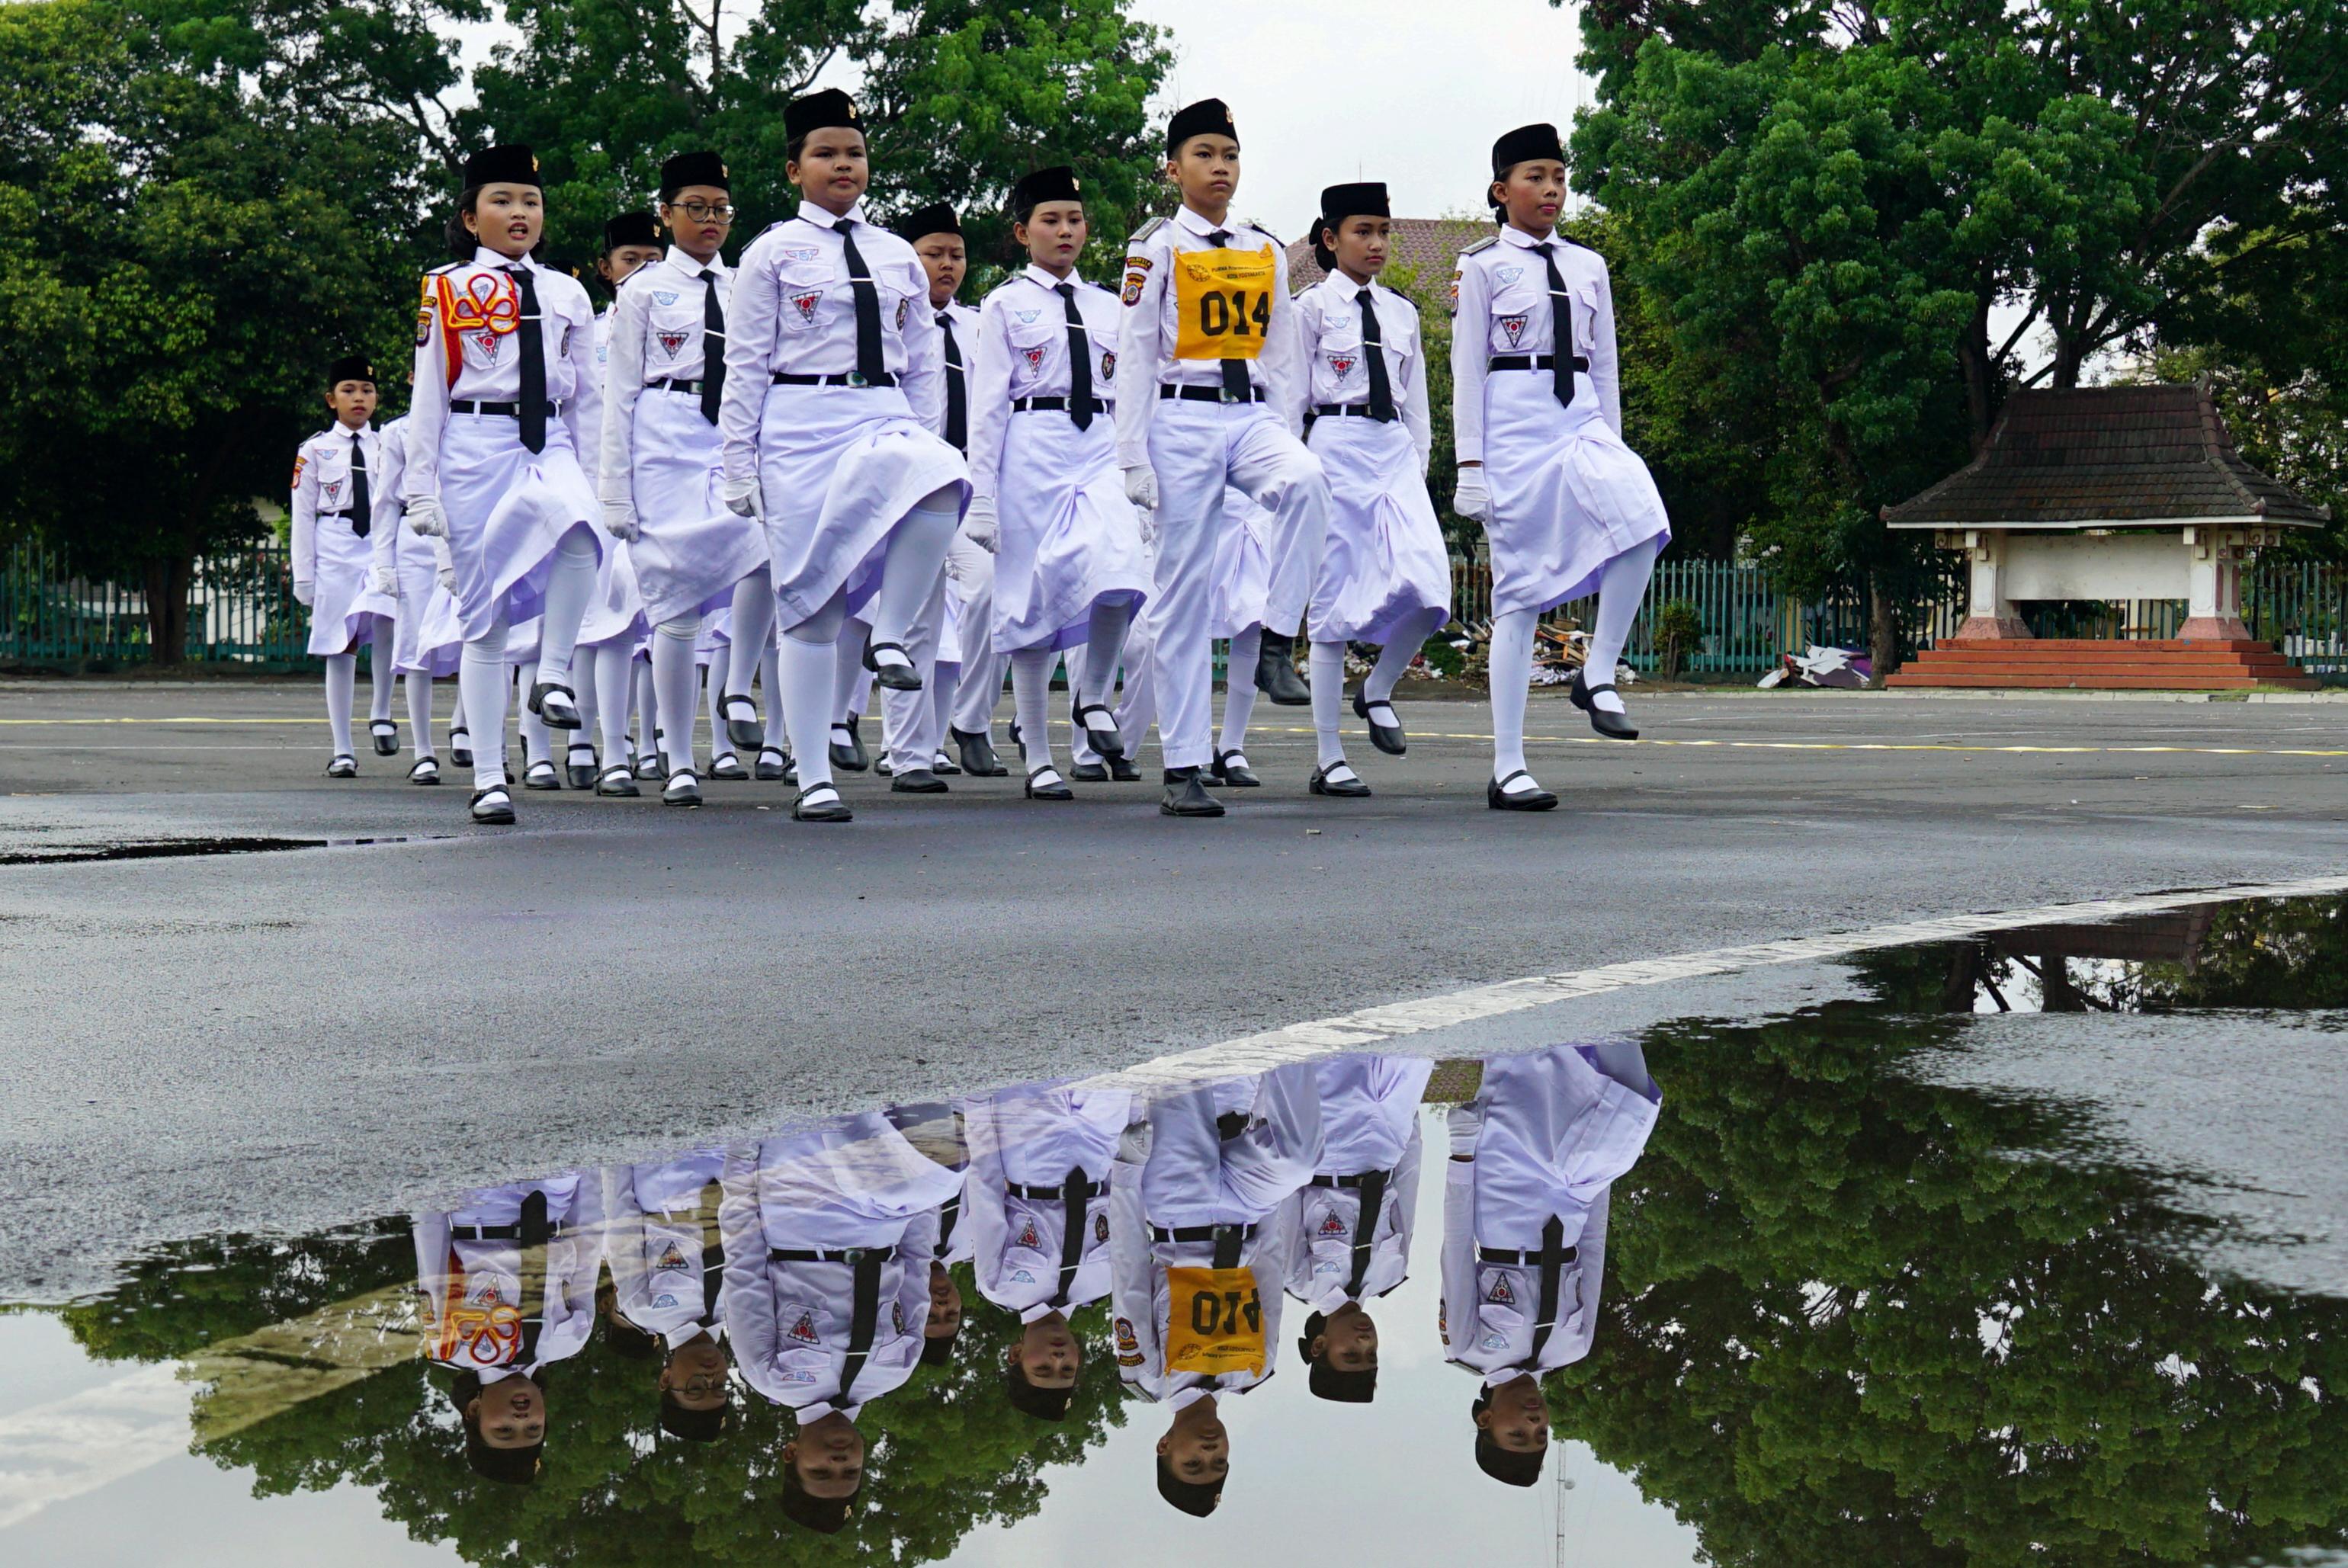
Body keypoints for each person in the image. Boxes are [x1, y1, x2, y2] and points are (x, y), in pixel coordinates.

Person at [717, 88, 968, 823]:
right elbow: (746, 364)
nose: (843, 165)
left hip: (881, 410)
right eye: (825, 154)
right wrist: (739, 462)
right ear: (795, 168)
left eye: (854, 152)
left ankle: (891, 631)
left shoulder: (896, 253)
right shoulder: (771, 252)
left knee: (942, 479)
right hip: (797, 423)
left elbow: (923, 361)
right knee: (808, 609)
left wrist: (927, 434)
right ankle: (814, 776)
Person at [1115, 98, 1330, 818]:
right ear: (1174, 169)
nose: (1220, 168)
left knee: (1307, 480)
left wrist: (1285, 432)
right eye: (1205, 155)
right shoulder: (1157, 247)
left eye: (1230, 156)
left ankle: (1275, 640)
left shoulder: (1264, 249)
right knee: (1183, 594)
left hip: (1250, 413)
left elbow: (1283, 355)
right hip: (1180, 418)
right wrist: (1132, 455)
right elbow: (1138, 353)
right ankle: (1182, 766)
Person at [1452, 123, 1670, 810]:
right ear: (1501, 189)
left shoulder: (1588, 265)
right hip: (1513, 427)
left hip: (1580, 420)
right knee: (1518, 594)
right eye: (1535, 177)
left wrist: (1615, 442)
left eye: (1558, 176)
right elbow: (1465, 372)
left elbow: (1605, 363)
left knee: (1643, 519)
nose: (1551, 189)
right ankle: (1508, 765)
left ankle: (1596, 673)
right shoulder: (1482, 265)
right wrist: (1471, 464)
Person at [406, 143, 605, 825]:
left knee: (583, 531)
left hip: (549, 441)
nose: (520, 213)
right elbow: (429, 393)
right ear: (470, 217)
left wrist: (607, 484)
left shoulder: (566, 290)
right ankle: (490, 776)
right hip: (475, 445)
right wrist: (420, 485)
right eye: (503, 200)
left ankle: (552, 671)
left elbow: (589, 400)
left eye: (531, 201)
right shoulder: (447, 287)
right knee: (483, 623)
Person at [966, 165, 1150, 802]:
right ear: (1023, 231)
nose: (1065, 230)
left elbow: (1130, 391)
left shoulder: (1108, 305)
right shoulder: (1005, 303)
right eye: (1050, 219)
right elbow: (986, 408)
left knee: (1122, 571)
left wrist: (1138, 464)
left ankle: (1093, 695)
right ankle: (1038, 756)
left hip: (1097, 445)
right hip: (1032, 446)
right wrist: (982, 497)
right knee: (1029, 603)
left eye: (1074, 219)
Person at [601, 152, 770, 807]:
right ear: (667, 213)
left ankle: (735, 686)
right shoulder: (641, 290)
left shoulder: (747, 286)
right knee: (675, 610)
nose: (709, 220)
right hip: (665, 438)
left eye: (719, 209)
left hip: (731, 432)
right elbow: (617, 395)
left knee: (764, 558)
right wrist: (615, 488)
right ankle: (676, 759)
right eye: (694, 208)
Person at [719, 1111, 962, 1534]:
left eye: (821, 1473)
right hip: (886, 1217)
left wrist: (743, 1148)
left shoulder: (770, 1375)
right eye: (850, 1473)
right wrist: (927, 1198)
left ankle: (844, 1105)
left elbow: (744, 1261)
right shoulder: (896, 1371)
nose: (839, 1462)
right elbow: (917, 1261)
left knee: (829, 1101)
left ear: (791, 1454)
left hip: (801, 1205)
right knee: (944, 1168)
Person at [1440, 1041, 1660, 1486]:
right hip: (1573, 1204)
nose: (1534, 1421)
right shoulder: (1573, 1348)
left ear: (1486, 1420)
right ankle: (1604, 1004)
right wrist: (1606, 1179)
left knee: (1525, 1070)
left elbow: (1457, 1247)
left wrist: (1461, 1154)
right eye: (1541, 1434)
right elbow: (1594, 1252)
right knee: (1632, 1101)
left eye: (1518, 1434)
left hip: (1507, 1198)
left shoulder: (1466, 1348)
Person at [1296, 183, 1452, 797]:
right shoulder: (1308, 308)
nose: (1377, 243)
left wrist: (1417, 465)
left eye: (1383, 231)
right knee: (1332, 607)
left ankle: (1379, 687)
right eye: (1363, 231)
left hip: (1393, 453)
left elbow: (1419, 406)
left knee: (1431, 586)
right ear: (1331, 240)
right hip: (1333, 448)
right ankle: (1329, 755)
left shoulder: (1402, 313)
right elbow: (1289, 399)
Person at [1110, 1063, 1322, 1515]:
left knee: (1178, 1074)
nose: (1209, 1450)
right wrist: (1269, 1198)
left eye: (1194, 1463)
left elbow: (1128, 1272)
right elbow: (1268, 1272)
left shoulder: (1146, 1378)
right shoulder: (1254, 1372)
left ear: (1164, 1447)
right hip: (1245, 1212)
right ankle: (1289, 1045)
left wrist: (1127, 1173)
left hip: (1178, 1210)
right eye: (1219, 1461)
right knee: (1300, 1161)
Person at [412, 1169, 604, 1485]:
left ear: (474, 1412)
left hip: (477, 1199)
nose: (522, 1419)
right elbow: (588, 1247)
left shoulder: (448, 1347)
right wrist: (591, 1173)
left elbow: (431, 1245)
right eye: (533, 1429)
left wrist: (427, 1174)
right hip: (554, 1199)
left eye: (504, 1431)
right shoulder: (570, 1342)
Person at [958, 1079, 1132, 1420]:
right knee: (1112, 1056)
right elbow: (1122, 1201)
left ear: (1016, 1354)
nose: (1058, 1359)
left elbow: (986, 1190)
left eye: (1042, 1369)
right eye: (1068, 1369)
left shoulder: (1000, 1287)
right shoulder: (1106, 1285)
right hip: (1098, 1148)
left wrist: (977, 1106)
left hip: (1032, 1150)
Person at [1271, 1053, 1433, 1406]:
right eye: (1372, 1355)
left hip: (1330, 1140)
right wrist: (1410, 1122)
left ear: (1319, 1345)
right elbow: (1407, 1184)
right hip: (1386, 1143)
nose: (1365, 1343)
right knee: (1415, 1044)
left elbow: (1286, 1195)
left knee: (1336, 1044)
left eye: (1351, 1355)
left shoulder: (1300, 1280)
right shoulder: (1391, 1274)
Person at [291, 354, 399, 778]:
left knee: (389, 618)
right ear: (331, 399)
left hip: (379, 540)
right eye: (349, 390)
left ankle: (381, 710)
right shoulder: (315, 449)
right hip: (335, 543)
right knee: (341, 645)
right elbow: (302, 514)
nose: (359, 398)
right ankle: (343, 748)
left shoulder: (388, 443)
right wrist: (305, 576)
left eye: (367, 390)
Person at [602, 1149, 734, 1442]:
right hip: (728, 1165)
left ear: (666, 1379)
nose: (711, 1377)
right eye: (720, 1387)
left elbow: (621, 1223)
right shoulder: (742, 1310)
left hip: (666, 1170)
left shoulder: (643, 1310)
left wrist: (614, 1152)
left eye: (695, 1388)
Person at [367, 404, 464, 784]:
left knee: (477, 636)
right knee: (415, 644)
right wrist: (384, 562)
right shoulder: (398, 432)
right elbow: (386, 501)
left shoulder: (472, 421)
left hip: (464, 528)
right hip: (417, 535)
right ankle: (423, 751)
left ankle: (465, 727)